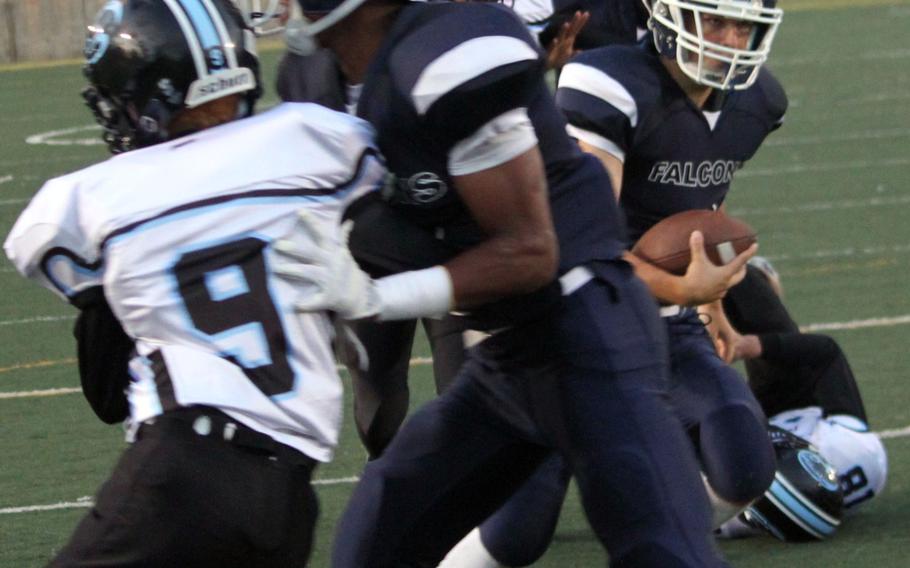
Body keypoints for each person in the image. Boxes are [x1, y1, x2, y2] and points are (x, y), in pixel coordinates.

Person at [274, 0, 729, 566]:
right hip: (506, 358)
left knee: (665, 553)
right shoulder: (311, 75)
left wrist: (377, 297)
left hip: (589, 336)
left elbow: (531, 254)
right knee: (374, 542)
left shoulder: (446, 57)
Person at [3, 1, 388, 565]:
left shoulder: (94, 200)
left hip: (184, 472)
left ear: (147, 97)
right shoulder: (318, 140)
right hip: (288, 490)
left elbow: (106, 390)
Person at [441, 0, 785, 564]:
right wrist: (681, 290)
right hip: (567, 327)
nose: (729, 39)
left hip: (664, 326)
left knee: (743, 460)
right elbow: (582, 245)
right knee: (517, 532)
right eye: (714, 20)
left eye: (743, 24)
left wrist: (711, 298)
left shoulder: (759, 101)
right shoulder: (608, 81)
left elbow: (700, 208)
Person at [713, 257, 888, 539]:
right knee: (771, 332)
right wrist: (754, 346)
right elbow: (826, 354)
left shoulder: (733, 512)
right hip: (793, 405)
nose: (776, 442)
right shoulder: (858, 453)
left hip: (740, 439)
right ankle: (732, 262)